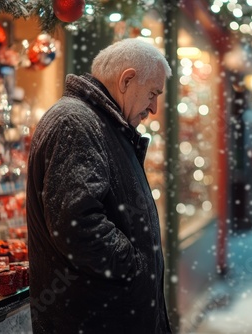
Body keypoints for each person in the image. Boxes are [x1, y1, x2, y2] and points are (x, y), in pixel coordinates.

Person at [26, 38, 172, 333]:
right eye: (152, 93)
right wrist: (136, 269)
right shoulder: (75, 122)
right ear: (127, 79)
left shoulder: (102, 124)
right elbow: (77, 225)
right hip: (94, 319)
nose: (154, 108)